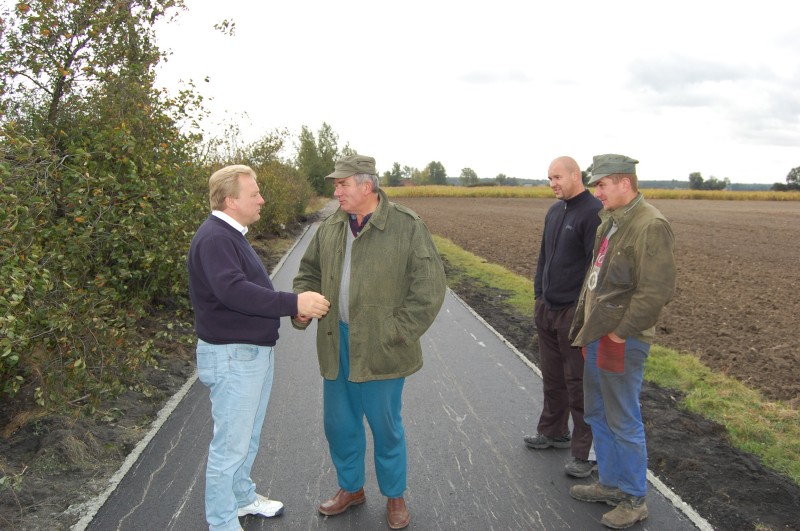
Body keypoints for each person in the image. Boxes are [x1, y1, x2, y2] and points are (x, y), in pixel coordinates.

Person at [292, 154, 446, 530]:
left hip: (383, 346)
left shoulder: (406, 227)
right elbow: (308, 272)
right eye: (335, 185)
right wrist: (301, 306)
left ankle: (395, 496)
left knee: (385, 424)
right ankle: (351, 489)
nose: (336, 191)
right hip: (336, 341)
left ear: (367, 186)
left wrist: (399, 332)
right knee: (339, 423)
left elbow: (430, 288)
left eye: (342, 184)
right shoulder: (330, 227)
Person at [188, 164, 331, 531]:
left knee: (246, 437)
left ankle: (240, 498)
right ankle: (221, 522)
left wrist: (287, 309)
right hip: (234, 356)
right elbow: (233, 291)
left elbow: (244, 289)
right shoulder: (217, 238)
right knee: (230, 445)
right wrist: (293, 303)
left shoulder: (230, 234)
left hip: (247, 354)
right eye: (254, 194)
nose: (263, 199)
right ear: (230, 199)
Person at [568, 154, 676, 529]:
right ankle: (611, 484)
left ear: (624, 183)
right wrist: (588, 328)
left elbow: (655, 292)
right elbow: (597, 280)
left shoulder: (650, 225)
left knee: (623, 417)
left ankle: (634, 498)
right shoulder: (611, 222)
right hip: (598, 335)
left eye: (601, 184)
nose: (596, 191)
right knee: (597, 412)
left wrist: (618, 333)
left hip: (622, 339)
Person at [523, 156, 602, 478]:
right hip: (548, 309)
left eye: (557, 177)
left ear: (575, 175)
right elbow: (544, 256)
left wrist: (580, 311)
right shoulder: (555, 211)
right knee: (553, 377)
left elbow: (592, 269)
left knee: (579, 384)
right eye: (549, 178)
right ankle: (554, 431)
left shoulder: (593, 213)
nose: (552, 183)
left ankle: (586, 454)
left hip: (573, 313)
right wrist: (539, 296)